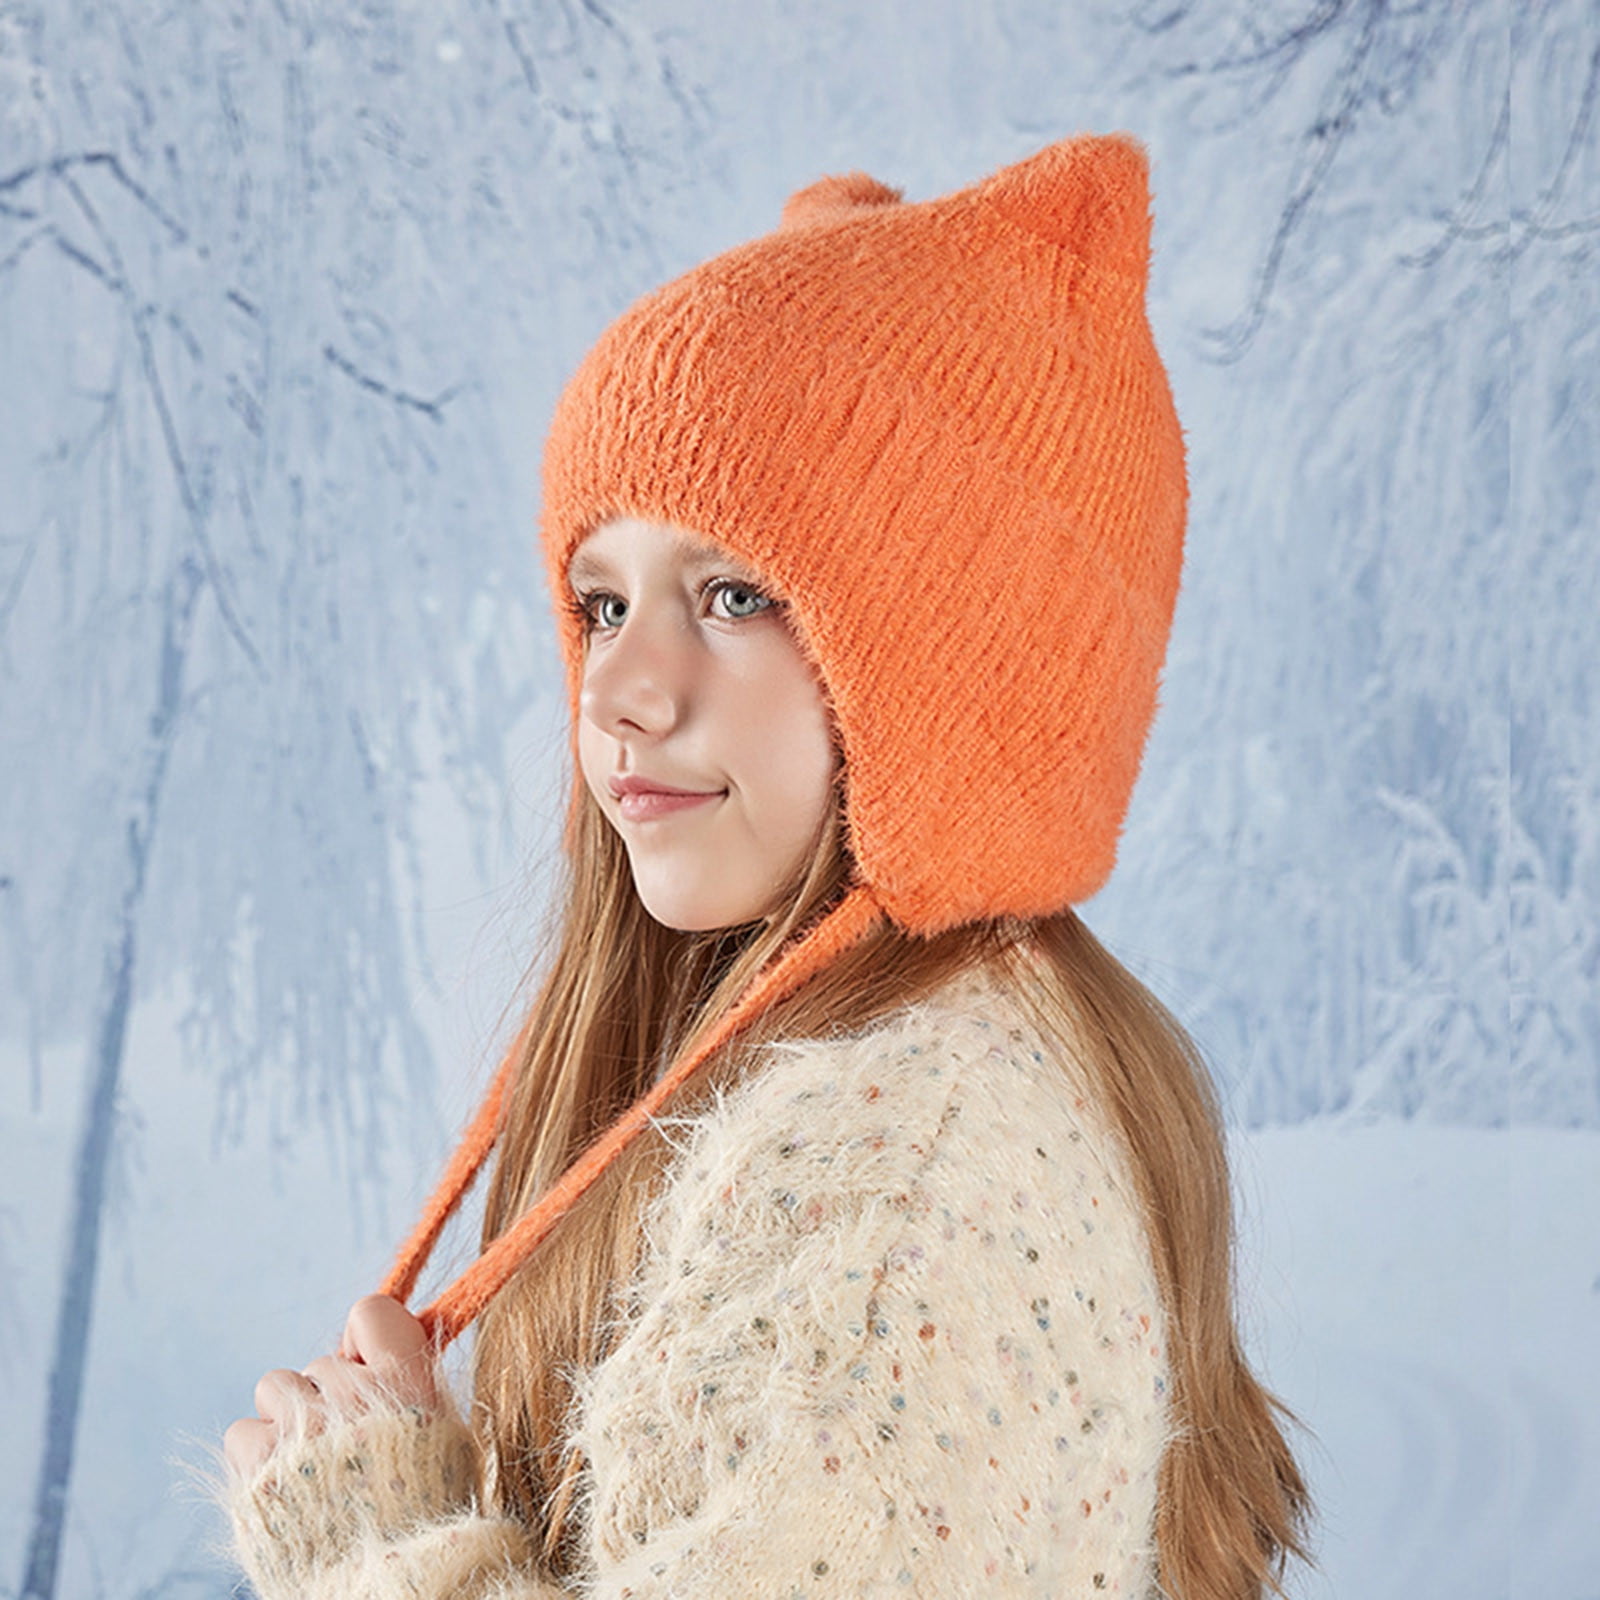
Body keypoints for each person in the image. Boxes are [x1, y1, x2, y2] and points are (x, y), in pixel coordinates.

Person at [220, 133, 1314, 1599]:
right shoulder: (937, 1069)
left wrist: (377, 1541)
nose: (621, 690)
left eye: (734, 594)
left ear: (958, 656)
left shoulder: (900, 1171)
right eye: (601, 601)